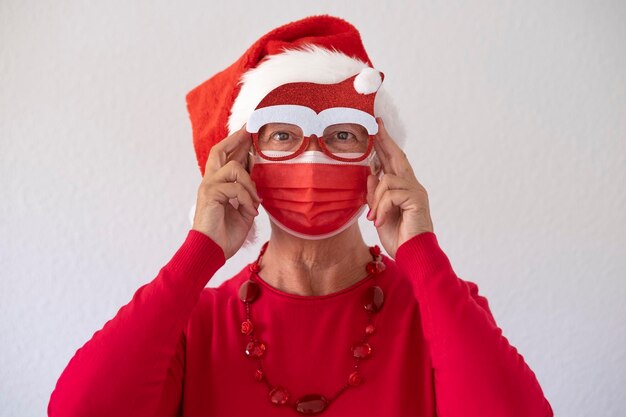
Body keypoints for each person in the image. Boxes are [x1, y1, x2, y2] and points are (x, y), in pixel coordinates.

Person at [48, 15, 553, 417]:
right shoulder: (194, 326)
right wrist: (199, 252)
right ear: (245, 161)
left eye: (342, 134)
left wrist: (420, 250)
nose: (313, 157)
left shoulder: (441, 311)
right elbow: (79, 410)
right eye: (283, 135)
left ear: (380, 159)